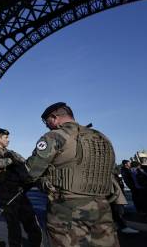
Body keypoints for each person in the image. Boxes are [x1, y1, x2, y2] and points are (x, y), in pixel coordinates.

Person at [24, 102, 119, 246]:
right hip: (102, 205)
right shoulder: (102, 137)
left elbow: (31, 171)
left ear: (54, 117)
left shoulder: (55, 136)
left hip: (66, 207)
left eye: (47, 122)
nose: (47, 126)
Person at [0, 129, 42, 247]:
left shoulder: (12, 152)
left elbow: (25, 163)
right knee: (13, 226)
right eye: (6, 137)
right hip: (5, 192)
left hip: (19, 190)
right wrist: (10, 160)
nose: (8, 140)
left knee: (31, 222)